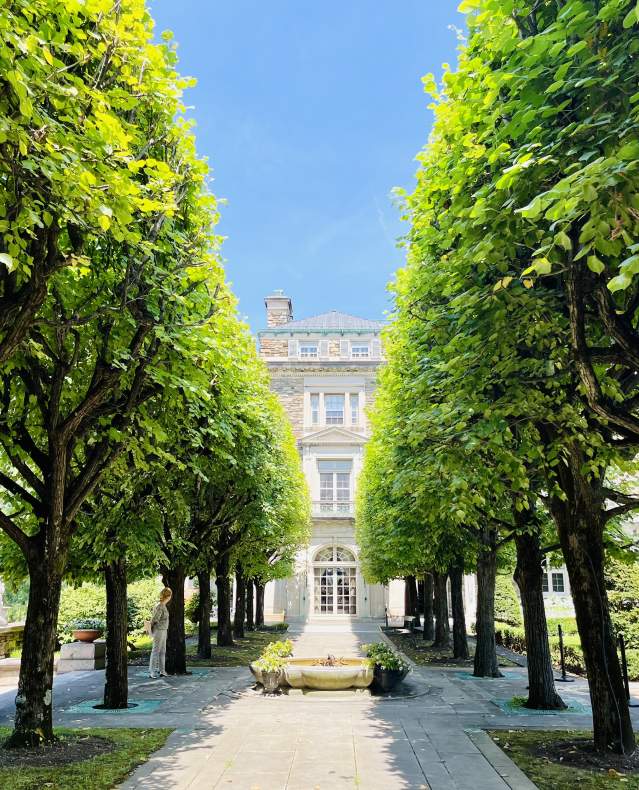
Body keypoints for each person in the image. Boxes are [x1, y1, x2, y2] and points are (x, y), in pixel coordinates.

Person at [149, 587, 172, 678]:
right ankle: (152, 672)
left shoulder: (163, 605)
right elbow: (155, 619)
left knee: (162, 651)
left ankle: (162, 671)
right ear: (168, 596)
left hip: (163, 630)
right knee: (155, 651)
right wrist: (151, 629)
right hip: (159, 630)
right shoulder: (160, 606)